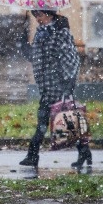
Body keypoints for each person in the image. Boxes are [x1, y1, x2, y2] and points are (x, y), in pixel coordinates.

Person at [20, 9, 91, 170]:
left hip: (59, 86)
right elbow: (35, 57)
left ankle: (33, 154)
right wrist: (23, 40)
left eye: (40, 15)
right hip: (46, 86)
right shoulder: (41, 33)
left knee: (56, 120)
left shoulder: (60, 33)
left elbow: (71, 59)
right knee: (63, 121)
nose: (37, 18)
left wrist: (67, 83)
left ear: (50, 15)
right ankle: (84, 151)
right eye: (35, 15)